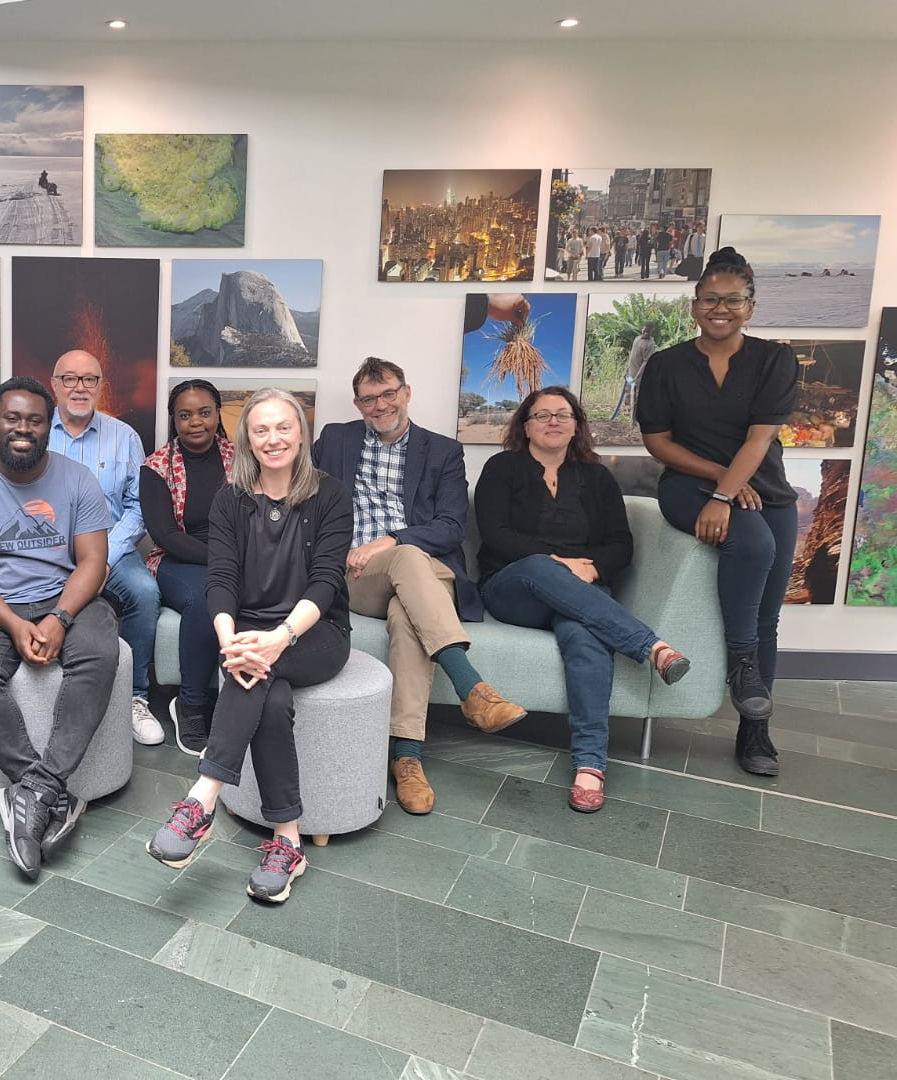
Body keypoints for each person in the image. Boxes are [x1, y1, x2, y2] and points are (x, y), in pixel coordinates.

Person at [146, 389, 352, 905]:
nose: (273, 438)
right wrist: (228, 641)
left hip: (315, 631)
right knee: (270, 694)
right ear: (247, 439)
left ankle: (201, 799)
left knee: (260, 670)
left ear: (301, 433)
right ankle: (288, 842)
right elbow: (220, 580)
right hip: (247, 630)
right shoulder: (231, 499)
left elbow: (325, 583)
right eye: (261, 430)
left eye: (283, 427)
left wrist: (280, 639)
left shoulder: (331, 496)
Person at [313, 358, 524, 816]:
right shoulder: (335, 439)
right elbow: (298, 491)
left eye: (389, 393)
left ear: (406, 393)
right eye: (370, 398)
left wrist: (392, 539)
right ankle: (471, 691)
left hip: (427, 571)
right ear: (358, 404)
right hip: (359, 576)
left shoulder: (443, 451)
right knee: (404, 569)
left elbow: (450, 526)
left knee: (407, 597)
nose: (380, 404)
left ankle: (407, 761)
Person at [474, 387, 692, 812]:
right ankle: (650, 646)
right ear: (525, 425)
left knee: (583, 633)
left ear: (576, 424)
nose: (553, 421)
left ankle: (590, 766)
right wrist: (557, 562)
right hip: (513, 586)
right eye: (542, 415)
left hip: (583, 590)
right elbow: (496, 534)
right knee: (540, 567)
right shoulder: (502, 468)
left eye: (563, 414)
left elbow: (620, 544)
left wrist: (591, 568)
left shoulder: (597, 477)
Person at [0, 377, 118, 880]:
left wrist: (60, 617)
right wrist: (15, 623)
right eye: (12, 418)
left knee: (103, 654)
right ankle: (49, 791)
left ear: (48, 426)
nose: (23, 428)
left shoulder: (78, 479)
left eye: (35, 420)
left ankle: (35, 790)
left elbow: (93, 562)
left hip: (69, 599)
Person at [638, 247, 799, 776]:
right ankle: (742, 664)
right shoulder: (665, 365)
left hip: (766, 492)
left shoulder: (776, 359)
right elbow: (658, 442)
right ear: (694, 304)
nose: (721, 308)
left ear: (751, 306)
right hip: (687, 486)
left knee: (768, 615)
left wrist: (730, 494)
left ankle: (755, 733)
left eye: (733, 300)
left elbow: (760, 439)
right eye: (711, 299)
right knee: (752, 543)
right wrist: (719, 486)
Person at [46, 349, 164, 746]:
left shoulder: (124, 437)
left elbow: (137, 507)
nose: (80, 388)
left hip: (112, 548)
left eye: (89, 379)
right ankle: (48, 696)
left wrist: (105, 558)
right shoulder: (35, 432)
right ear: (55, 385)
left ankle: (136, 698)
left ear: (100, 386)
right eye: (70, 379)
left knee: (145, 593)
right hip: (49, 551)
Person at [141, 379, 236, 755]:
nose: (195, 422)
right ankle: (190, 703)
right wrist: (224, 562)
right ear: (174, 421)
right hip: (178, 561)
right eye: (185, 415)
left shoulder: (242, 458)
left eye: (204, 412)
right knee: (205, 596)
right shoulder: (156, 467)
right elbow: (163, 533)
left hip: (236, 559)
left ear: (217, 415)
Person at [610, 322, 659, 422]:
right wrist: (626, 370)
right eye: (644, 330)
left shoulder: (650, 345)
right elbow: (632, 356)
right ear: (642, 329)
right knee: (627, 394)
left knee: (636, 397)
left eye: (648, 332)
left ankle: (634, 419)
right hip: (631, 373)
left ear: (651, 332)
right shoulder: (637, 339)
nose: (646, 333)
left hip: (640, 376)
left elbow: (646, 362)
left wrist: (637, 377)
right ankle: (623, 414)